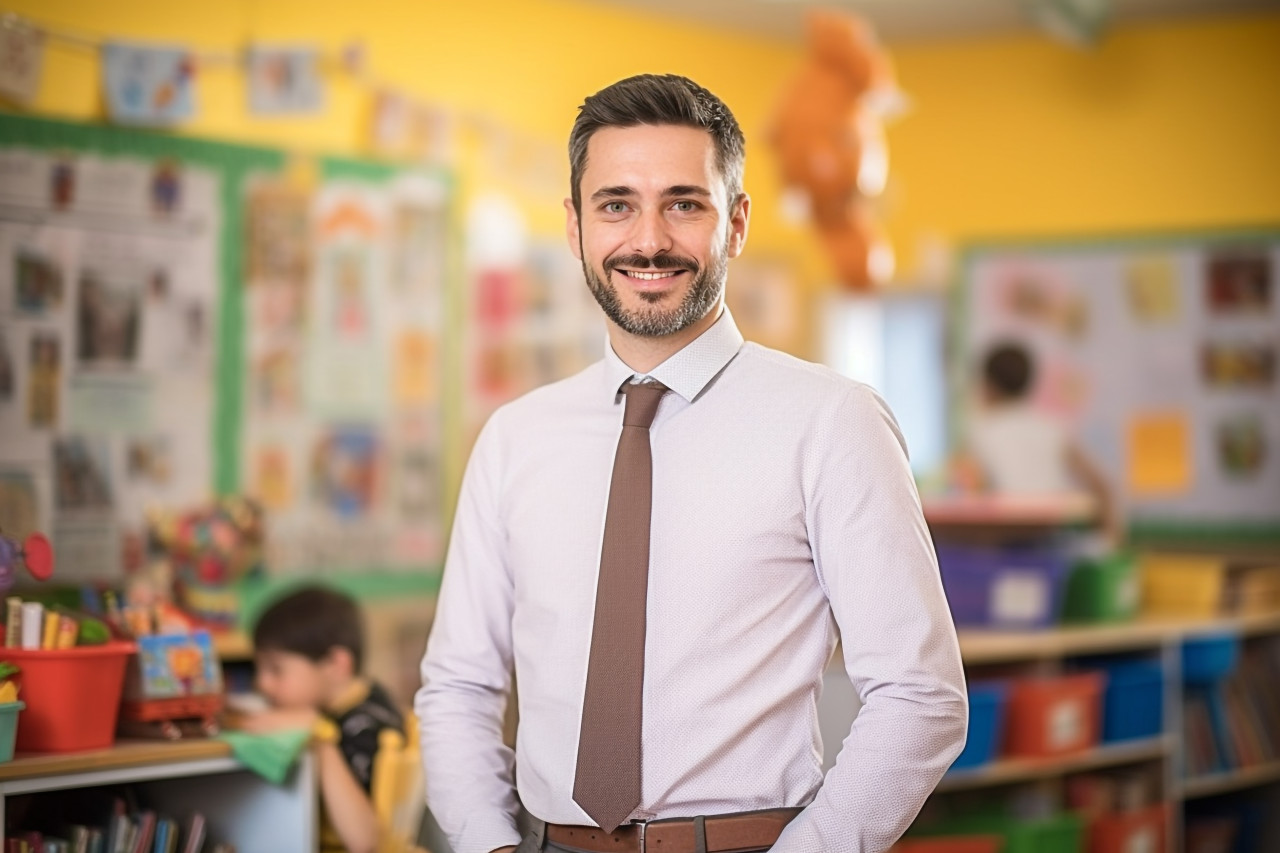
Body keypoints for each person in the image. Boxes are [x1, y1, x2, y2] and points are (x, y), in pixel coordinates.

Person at [417, 74, 967, 853]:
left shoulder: (832, 421)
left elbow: (921, 693)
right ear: (574, 227)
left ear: (735, 221)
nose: (648, 239)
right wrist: (487, 842)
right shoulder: (515, 439)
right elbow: (458, 686)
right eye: (616, 205)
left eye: (683, 202)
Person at [239, 585, 405, 853]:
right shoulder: (371, 696)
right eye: (258, 668)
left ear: (337, 665)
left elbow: (363, 841)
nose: (262, 684)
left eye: (276, 669)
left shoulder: (365, 727)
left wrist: (319, 739)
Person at [962, 340, 1121, 543]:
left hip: (1006, 540)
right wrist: (1110, 542)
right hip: (1055, 536)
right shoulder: (1052, 428)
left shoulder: (980, 433)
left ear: (987, 386)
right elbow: (1103, 487)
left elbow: (970, 496)